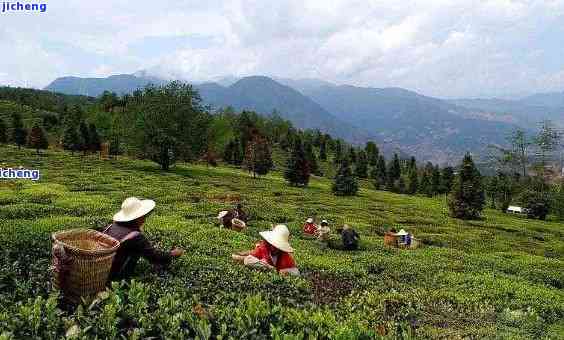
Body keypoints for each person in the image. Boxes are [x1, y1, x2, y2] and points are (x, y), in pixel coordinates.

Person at [103, 197, 184, 281]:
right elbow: (155, 257)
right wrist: (172, 254)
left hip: (104, 269)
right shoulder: (135, 237)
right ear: (137, 218)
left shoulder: (112, 226)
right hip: (115, 276)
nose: (144, 218)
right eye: (143, 216)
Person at [232, 224, 299, 276]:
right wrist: (267, 266)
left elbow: (296, 271)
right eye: (273, 244)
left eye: (277, 246)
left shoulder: (285, 256)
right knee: (248, 260)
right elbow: (249, 259)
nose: (274, 247)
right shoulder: (263, 248)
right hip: (264, 268)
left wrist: (285, 271)